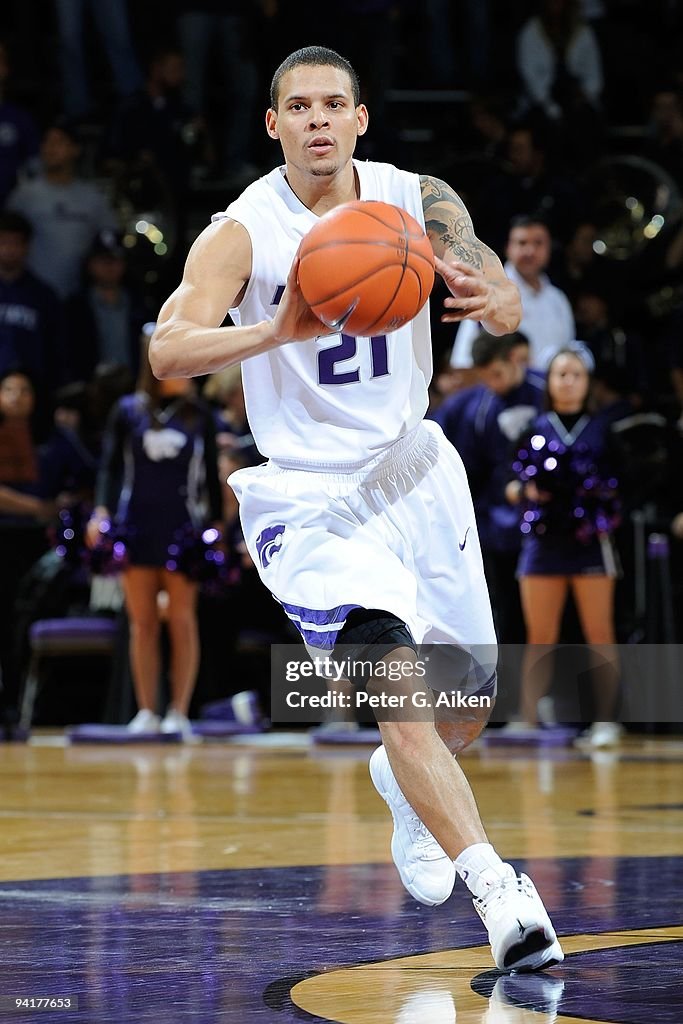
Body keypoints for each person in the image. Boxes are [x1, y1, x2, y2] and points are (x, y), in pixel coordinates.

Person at [148, 45, 564, 972]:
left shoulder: (416, 198)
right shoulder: (243, 232)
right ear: (274, 124)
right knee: (399, 689)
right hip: (308, 497)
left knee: (464, 706)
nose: (318, 121)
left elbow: (494, 291)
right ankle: (499, 891)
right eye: (299, 107)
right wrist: (274, 329)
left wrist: (488, 294)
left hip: (413, 467)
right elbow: (168, 352)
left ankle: (404, 784)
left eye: (334, 104)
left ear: (361, 118)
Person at [85, 341, 223, 738]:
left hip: (184, 529)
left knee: (181, 620)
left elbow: (211, 474)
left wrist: (215, 527)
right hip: (137, 527)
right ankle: (146, 710)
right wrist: (102, 511)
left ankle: (179, 710)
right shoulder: (128, 411)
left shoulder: (200, 415)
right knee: (142, 623)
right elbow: (110, 469)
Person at [504, 345, 623, 747]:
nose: (568, 381)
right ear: (550, 382)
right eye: (561, 374)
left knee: (599, 632)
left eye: (576, 374)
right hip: (543, 543)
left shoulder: (604, 428)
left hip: (591, 543)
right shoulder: (533, 428)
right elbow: (510, 485)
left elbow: (620, 486)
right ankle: (528, 719)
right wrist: (527, 491)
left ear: (588, 383)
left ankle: (606, 722)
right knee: (540, 634)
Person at [434, 332, 544, 644]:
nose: (492, 383)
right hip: (498, 523)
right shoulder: (477, 408)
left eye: (496, 374)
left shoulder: (545, 389)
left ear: (514, 359)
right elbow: (471, 471)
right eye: (485, 377)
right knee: (504, 607)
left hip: (547, 519)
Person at [6, 119, 119, 300]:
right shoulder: (24, 195)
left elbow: (110, 243)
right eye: (47, 142)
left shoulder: (92, 198)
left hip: (79, 298)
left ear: (75, 149)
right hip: (31, 296)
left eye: (59, 142)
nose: (50, 148)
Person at [450, 215, 575, 373]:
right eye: (522, 243)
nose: (530, 251)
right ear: (508, 248)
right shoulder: (488, 291)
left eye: (538, 243)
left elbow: (569, 356)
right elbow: (463, 363)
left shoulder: (558, 300)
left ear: (548, 249)